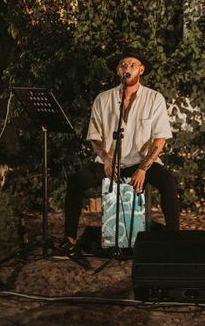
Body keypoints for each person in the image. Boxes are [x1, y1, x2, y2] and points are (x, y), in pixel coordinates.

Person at [60, 48, 180, 252]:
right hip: (109, 162)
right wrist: (106, 158)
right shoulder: (103, 99)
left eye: (132, 65)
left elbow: (160, 140)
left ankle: (174, 241)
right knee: (76, 181)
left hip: (140, 162)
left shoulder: (154, 98)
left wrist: (143, 168)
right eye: (123, 65)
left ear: (141, 70)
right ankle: (69, 239)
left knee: (167, 181)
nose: (128, 69)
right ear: (118, 70)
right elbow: (95, 138)